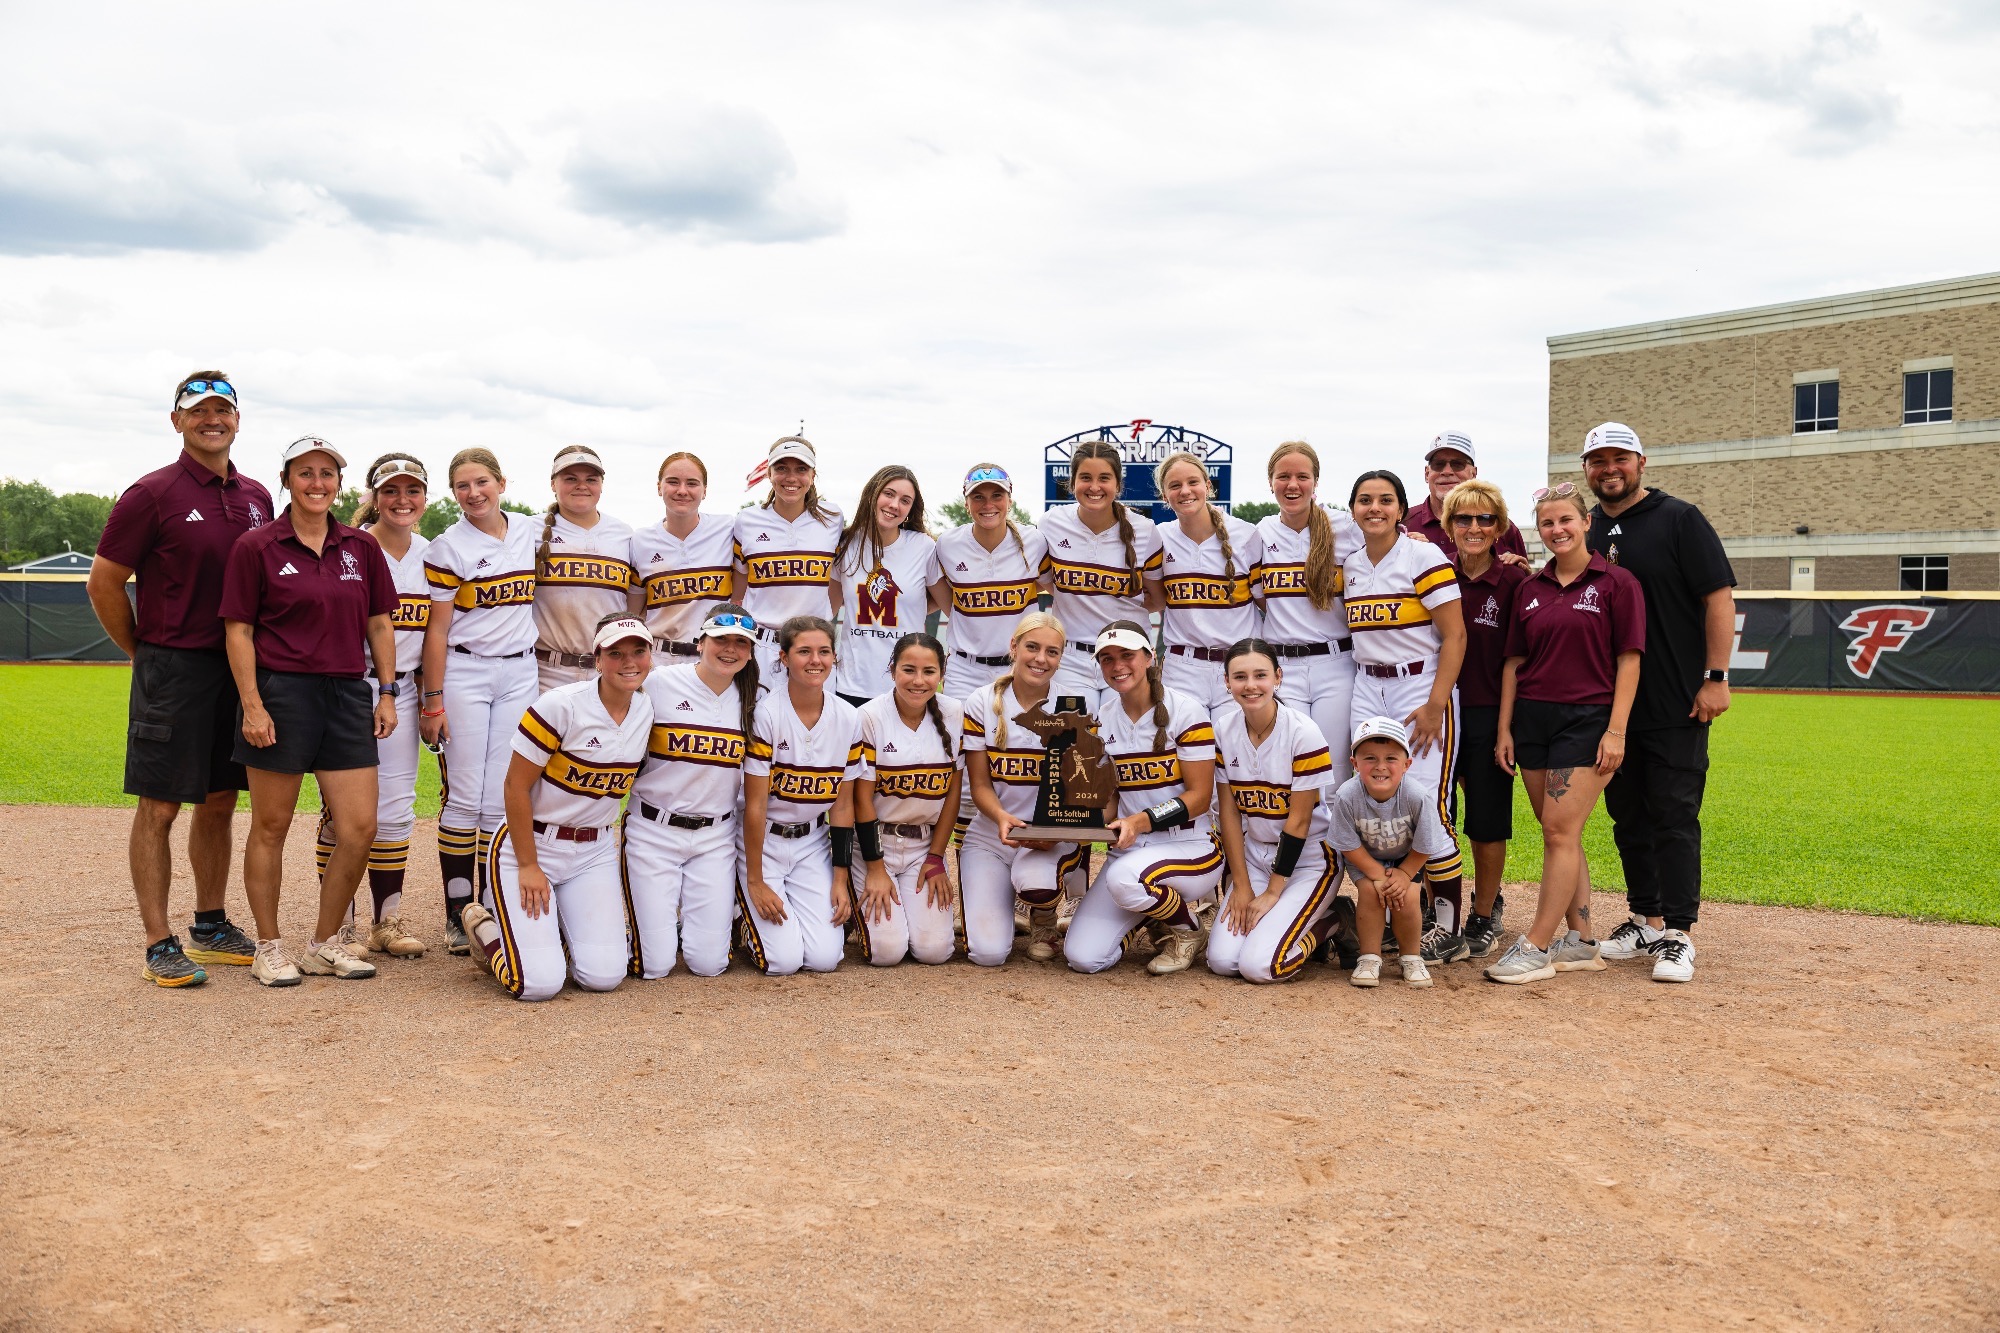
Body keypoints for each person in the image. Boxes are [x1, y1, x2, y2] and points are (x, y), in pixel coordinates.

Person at [89, 371, 272, 987]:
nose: (211, 420)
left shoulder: (255, 496)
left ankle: (210, 923)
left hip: (238, 667)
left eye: (222, 410)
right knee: (162, 804)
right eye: (198, 412)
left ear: (238, 421)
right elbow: (104, 582)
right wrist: (141, 649)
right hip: (174, 665)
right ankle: (156, 939)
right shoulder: (152, 493)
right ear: (177, 422)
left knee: (221, 800)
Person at [219, 437, 400, 986]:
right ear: (287, 479)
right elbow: (239, 629)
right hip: (281, 693)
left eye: (327, 474)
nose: (317, 483)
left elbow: (379, 623)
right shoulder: (257, 546)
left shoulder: (361, 547)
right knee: (271, 825)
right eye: (305, 473)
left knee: (360, 826)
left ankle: (325, 942)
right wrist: (252, 704)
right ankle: (270, 946)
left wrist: (387, 692)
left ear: (339, 484)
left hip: (346, 693)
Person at [1580, 422, 1737, 983]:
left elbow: (1718, 598)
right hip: (1609, 706)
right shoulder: (1586, 528)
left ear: (1640, 462)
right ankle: (1645, 918)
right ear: (1587, 470)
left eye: (1618, 457)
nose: (1608, 468)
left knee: (1673, 813)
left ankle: (1678, 933)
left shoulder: (1679, 519)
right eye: (1597, 460)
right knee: (1628, 815)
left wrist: (1716, 675)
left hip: (1674, 698)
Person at [1485, 483, 1646, 985]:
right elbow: (1514, 662)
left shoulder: (1618, 583)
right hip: (1533, 718)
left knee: (1558, 831)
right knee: (1560, 833)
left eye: (1565, 520)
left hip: (1587, 718)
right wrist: (1505, 728)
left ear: (1586, 523)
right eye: (1547, 523)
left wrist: (1616, 730)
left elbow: (1629, 659)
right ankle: (1580, 942)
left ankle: (1535, 944)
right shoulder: (1530, 588)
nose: (1557, 529)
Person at [457, 616, 654, 1000]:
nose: (629, 661)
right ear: (597, 659)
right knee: (537, 985)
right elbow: (515, 786)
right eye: (616, 653)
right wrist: (529, 865)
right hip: (531, 845)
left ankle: (548, 937)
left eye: (638, 651)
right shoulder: (560, 705)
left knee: (604, 977)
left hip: (594, 852)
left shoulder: (646, 708)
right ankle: (485, 930)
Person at [1344, 469, 1470, 966]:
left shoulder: (1423, 555)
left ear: (1402, 508)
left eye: (1386, 500)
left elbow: (1456, 635)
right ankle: (1395, 913)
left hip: (1419, 685)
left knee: (1426, 805)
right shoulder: (1350, 564)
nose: (1375, 508)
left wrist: (1437, 704)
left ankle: (1449, 925)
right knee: (1370, 801)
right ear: (1352, 508)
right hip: (1366, 685)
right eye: (1364, 500)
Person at [419, 448, 541, 955]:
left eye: (482, 482)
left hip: (521, 669)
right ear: (454, 494)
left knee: (501, 797)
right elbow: (438, 628)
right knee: (466, 796)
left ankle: (490, 907)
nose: (474, 493)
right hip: (467, 669)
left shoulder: (531, 530)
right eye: (463, 486)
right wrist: (433, 700)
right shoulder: (449, 546)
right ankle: (455, 910)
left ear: (501, 483)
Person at [312, 453, 434, 958]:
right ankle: (339, 923)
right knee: (341, 811)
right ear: (373, 497)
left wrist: (431, 696)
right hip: (348, 686)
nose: (401, 500)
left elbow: (437, 635)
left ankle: (386, 921)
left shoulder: (433, 553)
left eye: (412, 490)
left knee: (396, 809)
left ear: (425, 498)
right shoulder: (350, 548)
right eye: (390, 490)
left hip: (403, 689)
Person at [1063, 621, 1223, 977]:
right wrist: (1080, 819)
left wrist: (1139, 821)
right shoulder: (1102, 720)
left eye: (1127, 655)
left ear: (1149, 657)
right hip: (1131, 854)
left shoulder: (1186, 711)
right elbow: (1109, 799)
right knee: (1084, 957)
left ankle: (1188, 930)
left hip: (1190, 847)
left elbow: (1199, 798)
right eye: (1106, 659)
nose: (1117, 666)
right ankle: (1153, 915)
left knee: (1124, 881)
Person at [621, 605, 760, 978]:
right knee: (655, 964)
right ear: (700, 642)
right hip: (654, 830)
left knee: (709, 964)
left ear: (750, 651)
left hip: (715, 837)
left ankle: (726, 924)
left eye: (741, 643)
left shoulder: (755, 700)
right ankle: (624, 934)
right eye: (721, 639)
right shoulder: (660, 683)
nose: (730, 649)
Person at [1206, 638, 1345, 983]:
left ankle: (1333, 921)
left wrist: (1272, 892)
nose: (1250, 685)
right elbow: (1229, 815)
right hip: (1254, 857)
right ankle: (1291, 919)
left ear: (1278, 677)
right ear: (1226, 682)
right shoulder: (1223, 730)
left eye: (1260, 675)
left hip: (1308, 861)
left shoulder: (1303, 732)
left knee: (1262, 967)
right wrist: (1241, 885)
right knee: (1223, 961)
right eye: (1239, 677)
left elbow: (1299, 820)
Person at [739, 615, 864, 976]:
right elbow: (756, 806)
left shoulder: (847, 717)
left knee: (825, 960)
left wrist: (840, 879)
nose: (815, 660)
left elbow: (842, 806)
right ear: (783, 658)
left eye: (824, 651)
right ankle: (743, 917)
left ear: (834, 657)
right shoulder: (767, 714)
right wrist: (756, 881)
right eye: (804, 651)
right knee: (783, 962)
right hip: (765, 843)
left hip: (812, 842)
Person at [957, 611, 1082, 964]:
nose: (1041, 659)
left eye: (1052, 652)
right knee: (988, 953)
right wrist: (1000, 817)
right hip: (993, 832)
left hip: (1048, 835)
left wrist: (1054, 831)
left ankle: (1043, 914)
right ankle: (1006, 904)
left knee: (1036, 882)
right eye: (1032, 647)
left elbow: (1078, 789)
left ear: (1061, 657)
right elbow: (979, 783)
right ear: (1013, 647)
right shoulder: (981, 701)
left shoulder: (1070, 705)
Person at [1440, 477, 1529, 959]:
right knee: (1437, 813)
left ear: (1500, 527)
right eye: (1463, 518)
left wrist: (1504, 730)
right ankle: (1439, 909)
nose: (1473, 527)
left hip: (1489, 713)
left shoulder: (1516, 580)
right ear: (1448, 525)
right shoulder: (1434, 571)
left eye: (1485, 518)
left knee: (1488, 820)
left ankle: (1484, 910)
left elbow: (1518, 660)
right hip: (1438, 710)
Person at [851, 633, 963, 966]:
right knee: (888, 952)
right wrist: (874, 867)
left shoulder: (955, 712)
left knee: (935, 952)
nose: (918, 680)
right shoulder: (870, 716)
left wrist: (935, 859)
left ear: (941, 673)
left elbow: (952, 794)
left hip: (922, 847)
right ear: (892, 670)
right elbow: (861, 800)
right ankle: (850, 898)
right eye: (908, 670)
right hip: (874, 847)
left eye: (929, 671)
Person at [1253, 442, 1362, 766]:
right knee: (1289, 767)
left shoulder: (1346, 527)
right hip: (1284, 668)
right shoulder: (1260, 532)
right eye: (1283, 476)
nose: (1292, 484)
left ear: (1315, 481)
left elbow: (1390, 549)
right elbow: (1258, 598)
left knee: (1334, 768)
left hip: (1336, 664)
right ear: (1270, 482)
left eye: (1302, 476)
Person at [1040, 440, 1163, 711]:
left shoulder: (1144, 530)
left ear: (1118, 485)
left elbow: (1156, 598)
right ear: (1072, 483)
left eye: (1104, 478)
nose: (1094, 487)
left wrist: (1117, 608)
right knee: (1072, 746)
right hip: (1071, 657)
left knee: (1124, 744)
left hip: (1126, 655)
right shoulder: (1052, 523)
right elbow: (1051, 584)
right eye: (1085, 478)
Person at [1328, 716, 1449, 989]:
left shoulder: (1417, 796)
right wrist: (1377, 874)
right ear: (1355, 763)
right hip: (1366, 858)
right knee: (1371, 893)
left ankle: (1411, 957)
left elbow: (1426, 843)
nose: (1380, 766)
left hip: (1407, 858)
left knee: (1406, 896)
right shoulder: (1347, 795)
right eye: (1369, 758)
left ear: (1407, 765)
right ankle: (1369, 957)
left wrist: (1405, 873)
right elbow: (1347, 844)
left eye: (1391, 759)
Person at [733, 436, 843, 689]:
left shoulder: (832, 517)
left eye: (801, 469)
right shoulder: (747, 520)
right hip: (761, 646)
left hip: (814, 647)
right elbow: (739, 586)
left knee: (815, 725)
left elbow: (836, 579)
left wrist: (821, 619)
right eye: (782, 468)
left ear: (813, 475)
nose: (791, 478)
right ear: (769, 474)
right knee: (756, 725)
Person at [1155, 451, 1262, 710]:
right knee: (1186, 749)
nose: (1185, 491)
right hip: (1183, 667)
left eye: (1193, 482)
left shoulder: (1245, 535)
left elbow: (1266, 603)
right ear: (1164, 496)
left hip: (1238, 664)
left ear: (1208, 485)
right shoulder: (1159, 538)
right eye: (1175, 485)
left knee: (1234, 750)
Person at [933, 464, 1046, 703]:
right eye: (978, 497)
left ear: (1010, 500)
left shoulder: (1033, 541)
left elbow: (1057, 587)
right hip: (965, 670)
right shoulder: (948, 545)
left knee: (1019, 739)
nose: (988, 505)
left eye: (997, 495)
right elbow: (947, 600)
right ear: (966, 503)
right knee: (960, 739)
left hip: (1019, 667)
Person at [831, 465, 939, 707]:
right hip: (852, 684)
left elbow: (948, 603)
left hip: (906, 685)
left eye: (905, 500)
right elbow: (827, 608)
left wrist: (911, 608)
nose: (894, 504)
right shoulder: (846, 545)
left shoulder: (923, 547)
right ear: (872, 495)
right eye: (888, 494)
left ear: (910, 510)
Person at [531, 445, 635, 691]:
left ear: (601, 485)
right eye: (570, 479)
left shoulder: (624, 535)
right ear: (553, 484)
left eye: (591, 479)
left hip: (609, 672)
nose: (582, 485)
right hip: (546, 672)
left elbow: (635, 604)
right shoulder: (528, 531)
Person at [629, 451, 735, 661]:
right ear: (659, 487)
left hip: (714, 658)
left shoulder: (728, 529)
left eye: (692, 483)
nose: (682, 491)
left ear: (705, 491)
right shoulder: (640, 540)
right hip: (660, 660)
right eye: (673, 482)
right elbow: (634, 614)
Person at [1404, 432, 1528, 561]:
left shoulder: (1502, 528)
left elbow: (1523, 577)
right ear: (1426, 474)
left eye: (1457, 464)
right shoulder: (1403, 524)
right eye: (1438, 464)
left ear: (1473, 473)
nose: (1447, 472)